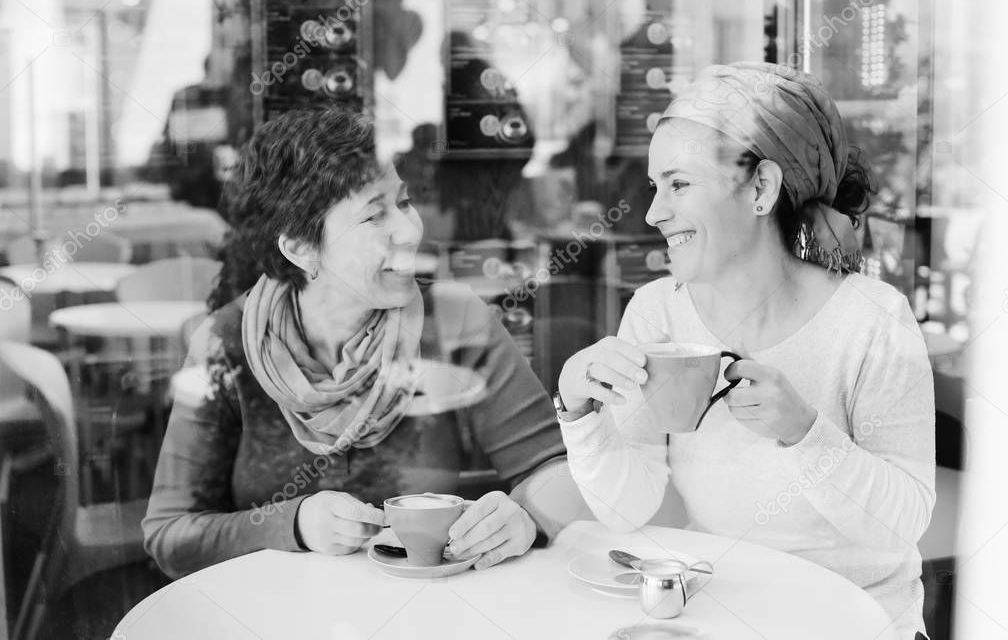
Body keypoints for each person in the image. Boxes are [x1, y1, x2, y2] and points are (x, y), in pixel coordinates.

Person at [555, 62, 935, 640]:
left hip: (858, 624)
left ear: (761, 187)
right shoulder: (658, 312)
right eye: (655, 187)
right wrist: (579, 411)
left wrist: (805, 433)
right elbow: (627, 508)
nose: (655, 212)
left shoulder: (874, 321)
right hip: (723, 620)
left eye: (679, 184)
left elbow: (904, 522)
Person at [143, 106, 585, 579]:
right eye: (375, 215)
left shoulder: (456, 322)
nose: (409, 230)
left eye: (405, 202)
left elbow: (558, 473)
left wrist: (524, 517)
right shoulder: (226, 345)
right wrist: (291, 524)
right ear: (299, 248)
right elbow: (171, 535)